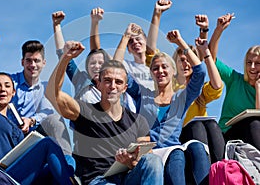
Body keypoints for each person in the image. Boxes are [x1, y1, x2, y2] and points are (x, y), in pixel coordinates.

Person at [45, 41, 163, 185]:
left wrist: (130, 163)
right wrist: (66, 58)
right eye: (107, 81)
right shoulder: (84, 111)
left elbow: (146, 161)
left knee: (154, 160)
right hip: (99, 180)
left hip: (129, 178)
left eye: (118, 82)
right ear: (98, 83)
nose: (113, 86)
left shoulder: (138, 121)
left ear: (125, 88)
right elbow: (52, 94)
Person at [0, 48, 75, 185]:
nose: (2, 89)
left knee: (68, 160)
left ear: (13, 92)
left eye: (7, 86)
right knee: (48, 144)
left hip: (19, 178)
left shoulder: (17, 125)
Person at [0, 31, 72, 156]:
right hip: (10, 135)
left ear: (43, 63)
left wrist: (32, 120)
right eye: (29, 61)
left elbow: (47, 113)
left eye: (36, 61)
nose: (32, 65)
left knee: (55, 119)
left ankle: (67, 164)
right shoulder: (7, 82)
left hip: (36, 137)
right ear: (22, 62)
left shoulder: (46, 88)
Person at [127, 30, 210, 184]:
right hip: (149, 152)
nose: (160, 71)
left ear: (173, 71)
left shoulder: (181, 97)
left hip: (172, 150)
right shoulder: (142, 95)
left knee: (187, 149)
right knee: (177, 153)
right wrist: (125, 38)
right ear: (151, 73)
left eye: (164, 67)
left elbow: (200, 72)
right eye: (155, 68)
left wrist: (180, 42)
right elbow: (120, 73)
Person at [50, 9, 136, 112]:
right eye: (92, 63)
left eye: (100, 63)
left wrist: (126, 36)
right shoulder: (81, 80)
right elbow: (63, 56)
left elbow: (117, 62)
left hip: (113, 126)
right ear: (87, 67)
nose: (96, 66)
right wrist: (57, 25)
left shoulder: (115, 86)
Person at [173, 15, 225, 163]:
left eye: (189, 60)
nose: (186, 64)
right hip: (180, 136)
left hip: (202, 130)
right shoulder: (170, 86)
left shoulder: (199, 90)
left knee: (212, 125)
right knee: (196, 126)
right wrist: (203, 32)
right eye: (182, 60)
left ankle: (221, 169)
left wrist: (204, 34)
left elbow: (217, 85)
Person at [209, 13, 260, 150]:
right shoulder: (235, 79)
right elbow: (211, 59)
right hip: (227, 135)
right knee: (254, 123)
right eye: (249, 63)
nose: (253, 67)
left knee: (255, 123)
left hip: (252, 136)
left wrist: (258, 87)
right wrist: (219, 29)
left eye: (257, 63)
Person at [113, 0, 172, 91]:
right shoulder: (127, 66)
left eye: (138, 39)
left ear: (146, 41)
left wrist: (157, 13)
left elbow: (151, 50)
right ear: (128, 49)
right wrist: (126, 36)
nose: (135, 42)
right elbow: (115, 65)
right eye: (131, 41)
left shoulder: (158, 64)